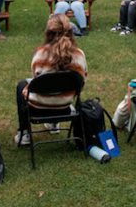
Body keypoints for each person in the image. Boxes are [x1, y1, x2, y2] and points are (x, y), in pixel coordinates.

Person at [14, 14, 88, 146]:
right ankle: (54, 125)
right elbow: (81, 83)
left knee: (22, 85)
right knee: (52, 84)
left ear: (48, 32)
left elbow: (36, 78)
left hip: (38, 107)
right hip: (64, 106)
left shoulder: (40, 53)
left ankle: (24, 133)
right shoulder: (79, 55)